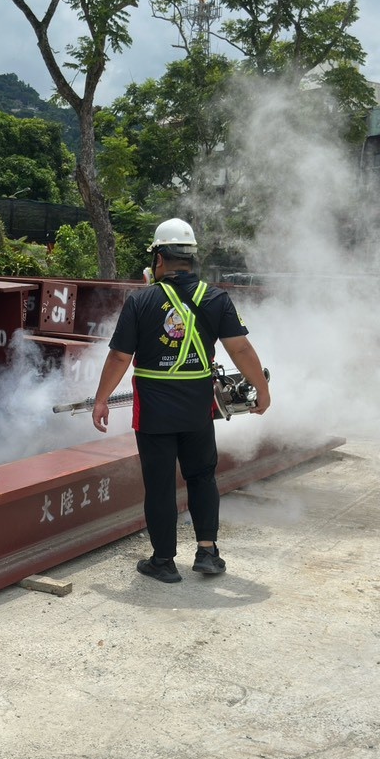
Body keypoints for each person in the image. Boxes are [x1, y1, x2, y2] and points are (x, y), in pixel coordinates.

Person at [91, 218, 271, 584]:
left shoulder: (140, 300)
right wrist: (262, 390)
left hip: (153, 411)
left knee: (160, 484)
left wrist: (101, 399)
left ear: (159, 258)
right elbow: (240, 348)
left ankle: (163, 561)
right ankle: (207, 552)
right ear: (191, 258)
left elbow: (120, 357)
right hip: (197, 410)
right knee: (202, 476)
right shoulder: (215, 298)